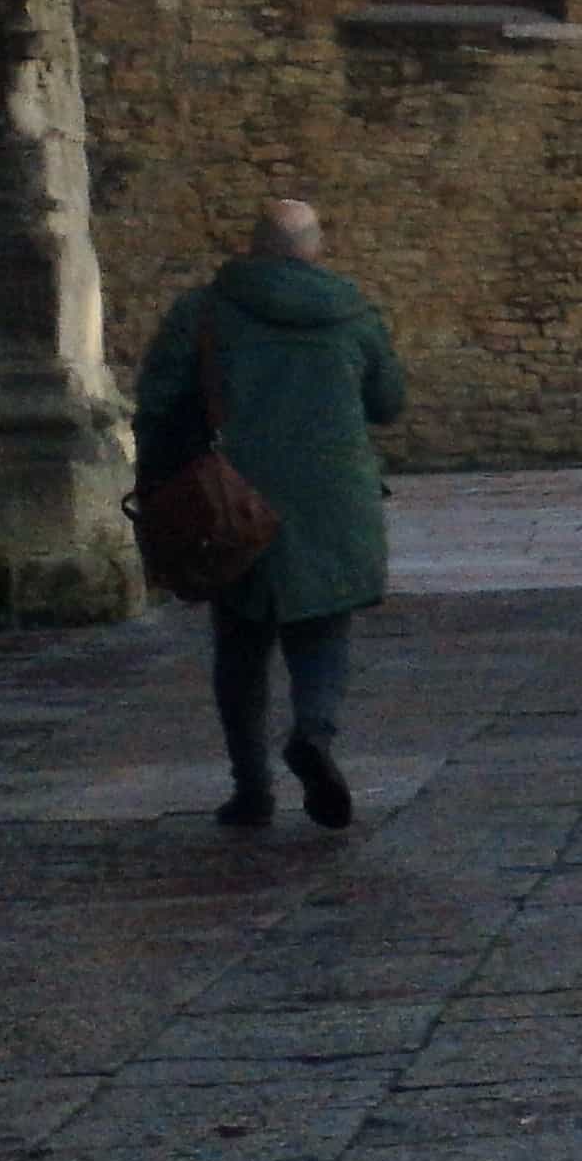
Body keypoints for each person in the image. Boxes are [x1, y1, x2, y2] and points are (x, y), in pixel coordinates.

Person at [133, 196, 405, 830]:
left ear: (253, 247)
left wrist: (159, 479)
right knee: (323, 631)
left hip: (233, 500)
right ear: (314, 250)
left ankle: (251, 786)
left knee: (240, 643)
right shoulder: (352, 313)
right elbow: (388, 402)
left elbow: (157, 402)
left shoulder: (203, 312)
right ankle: (313, 732)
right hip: (333, 500)